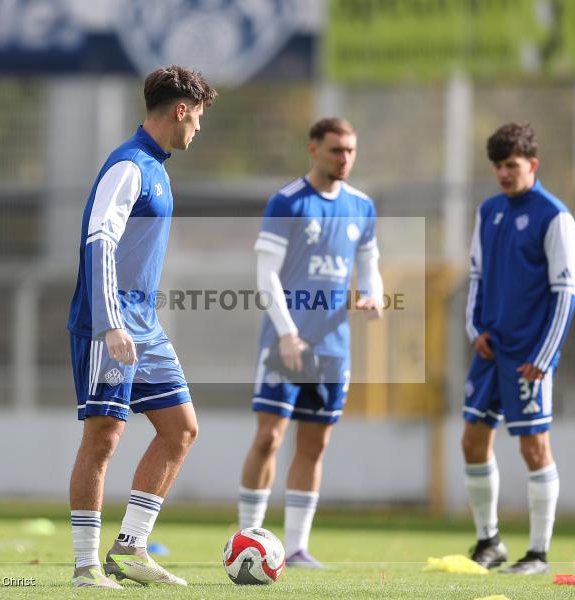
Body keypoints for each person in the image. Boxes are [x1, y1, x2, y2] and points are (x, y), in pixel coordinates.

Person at [66, 65, 216, 588]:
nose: (197, 128)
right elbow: (99, 241)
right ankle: (86, 566)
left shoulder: (158, 167)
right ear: (180, 110)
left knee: (181, 429)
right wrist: (110, 322)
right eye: (196, 118)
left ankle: (130, 548)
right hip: (109, 323)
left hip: (143, 326)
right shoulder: (128, 166)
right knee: (105, 436)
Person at [237, 117, 384, 568]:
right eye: (336, 149)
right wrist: (286, 333)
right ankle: (247, 539)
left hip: (332, 349)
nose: (345, 158)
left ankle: (297, 546)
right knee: (269, 437)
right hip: (285, 344)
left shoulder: (361, 207)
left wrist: (373, 294)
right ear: (313, 150)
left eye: (351, 150)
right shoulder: (287, 202)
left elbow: (369, 263)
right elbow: (266, 276)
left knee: (314, 444)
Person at [462, 123, 575, 575]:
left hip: (529, 356)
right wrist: (476, 329)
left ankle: (538, 553)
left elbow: (566, 291)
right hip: (490, 349)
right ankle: (489, 541)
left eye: (511, 165)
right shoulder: (488, 211)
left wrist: (546, 356)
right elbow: (474, 277)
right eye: (497, 166)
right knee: (472, 441)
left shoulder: (555, 216)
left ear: (532, 164)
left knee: (534, 447)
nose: (503, 174)